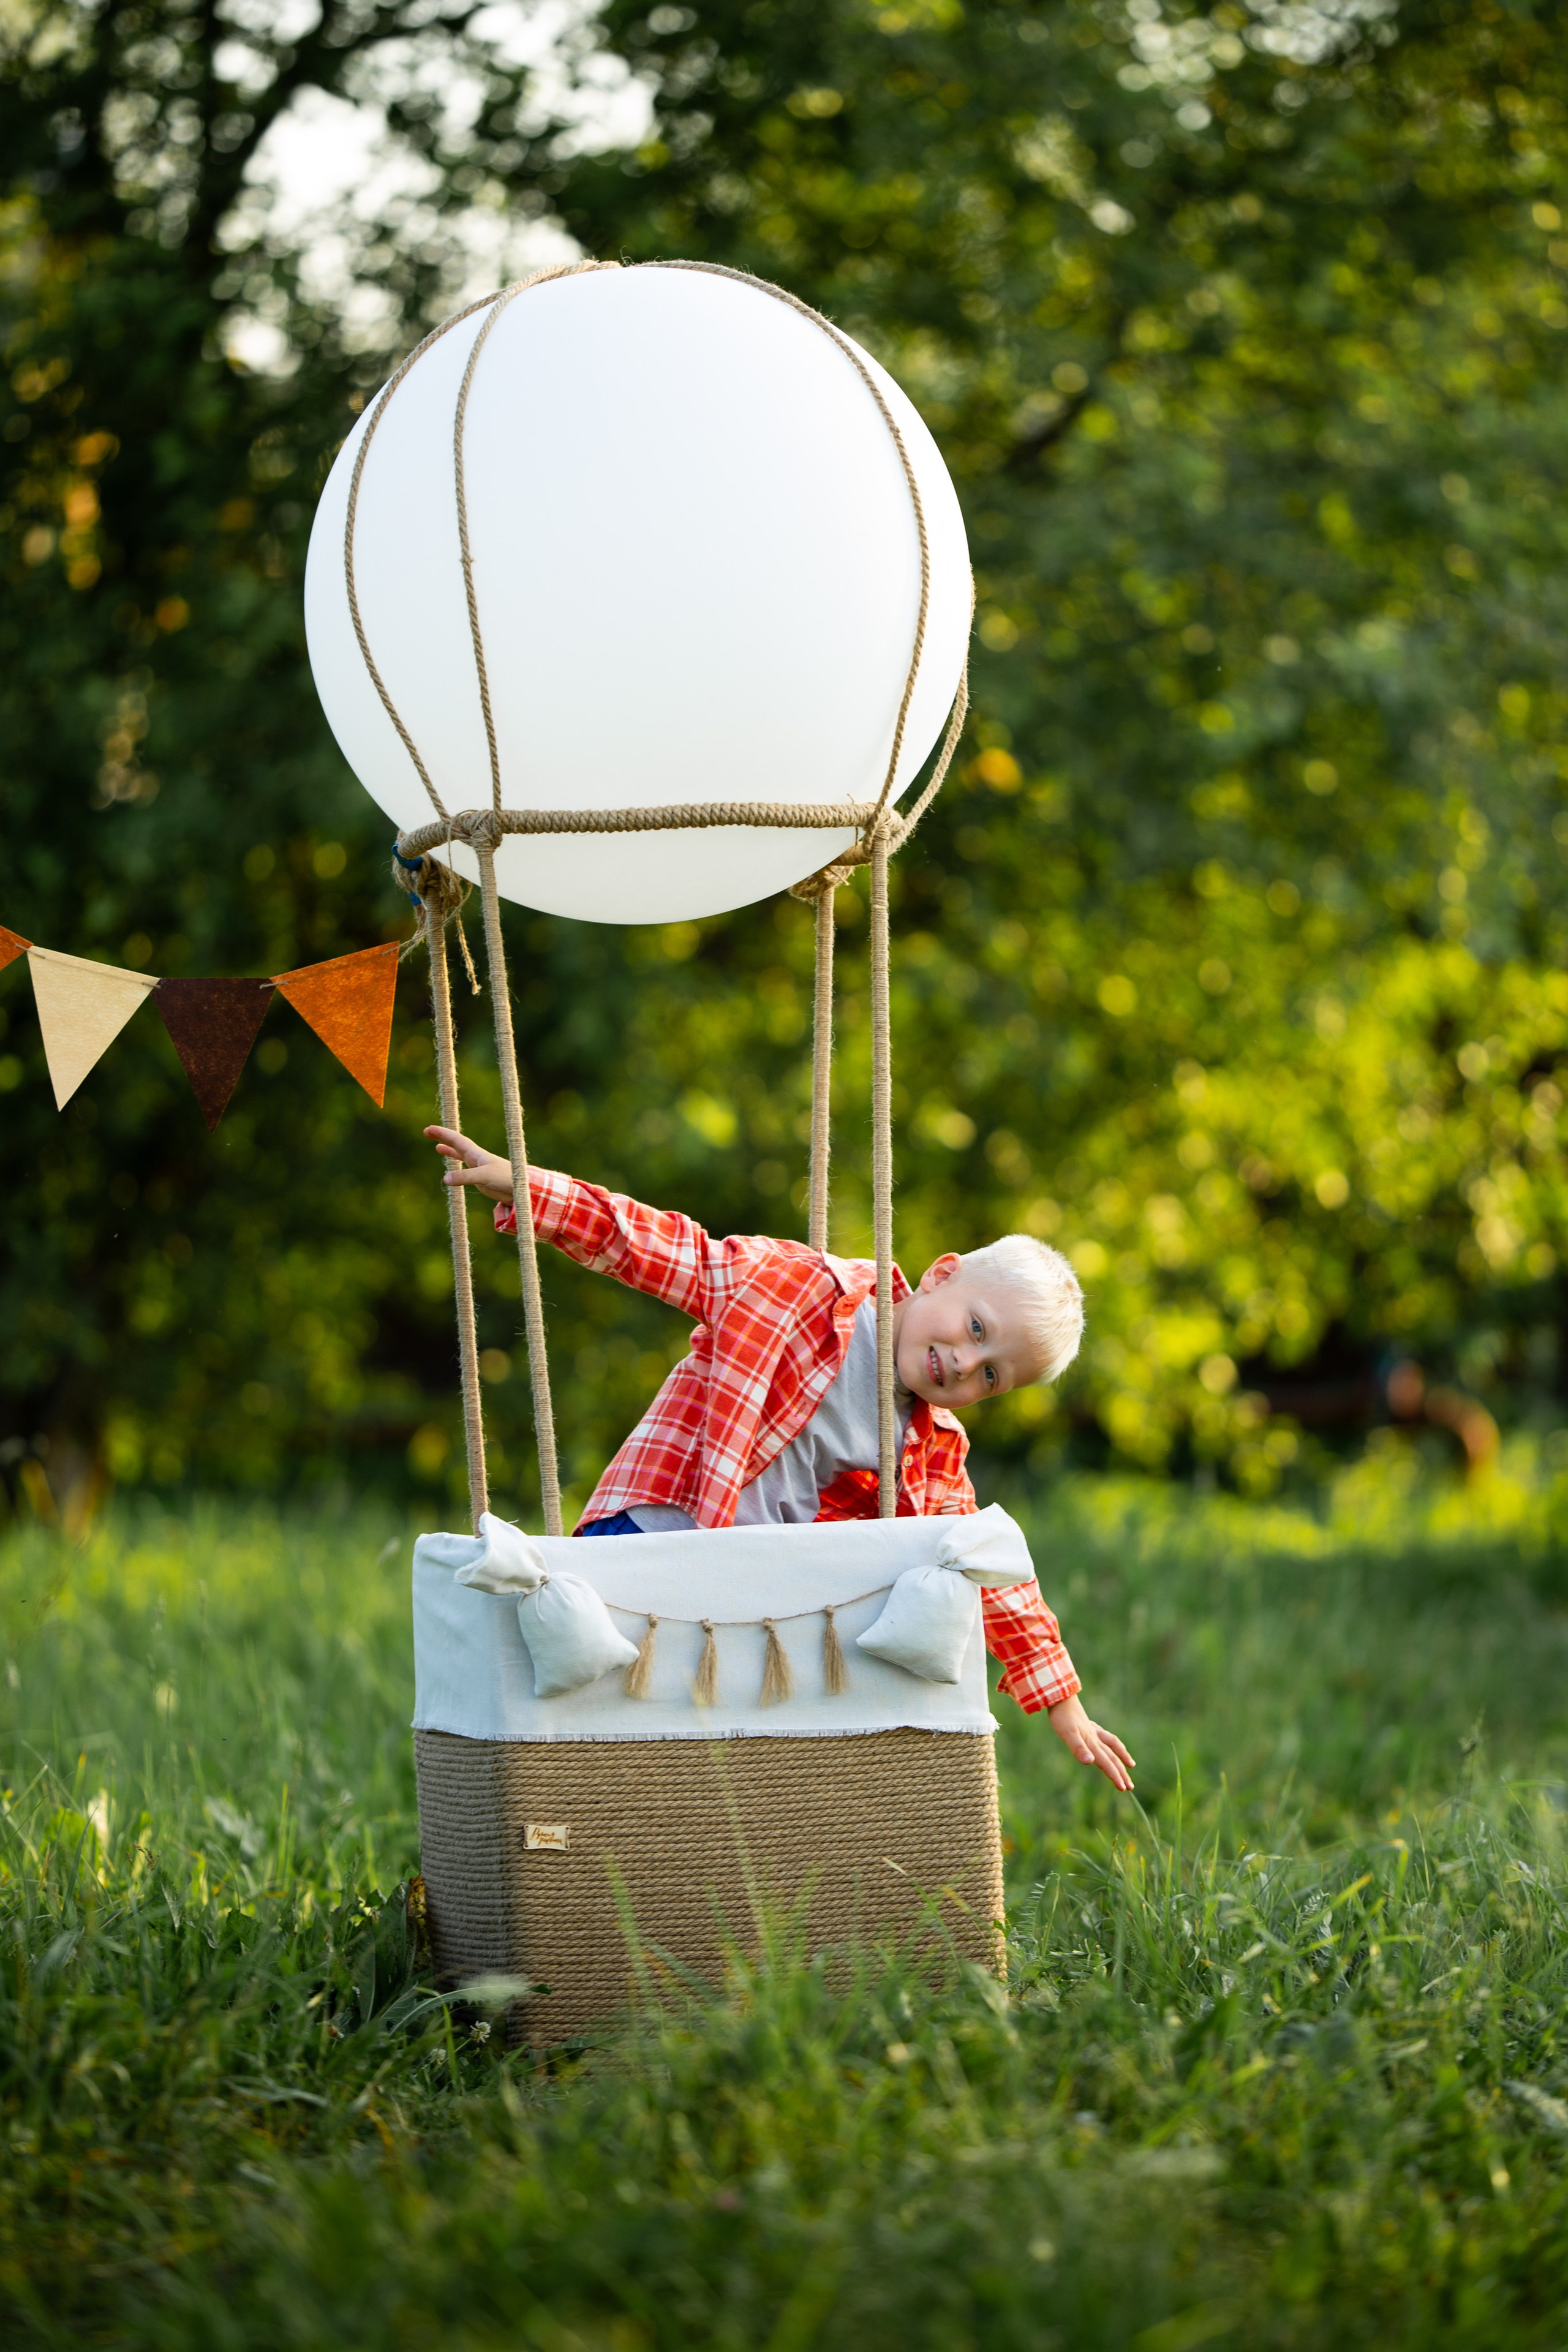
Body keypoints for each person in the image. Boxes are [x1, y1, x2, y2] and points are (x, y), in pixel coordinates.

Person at [426, 1125, 1135, 1793]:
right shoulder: (800, 1288)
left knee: (711, 1746)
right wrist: (535, 1192)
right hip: (656, 1527)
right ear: (941, 1274)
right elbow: (671, 1251)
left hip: (749, 1585)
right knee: (599, 1709)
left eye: (992, 1375)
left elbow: (987, 1565)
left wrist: (1060, 1699)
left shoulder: (927, 1447)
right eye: (976, 1328)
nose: (965, 1363)